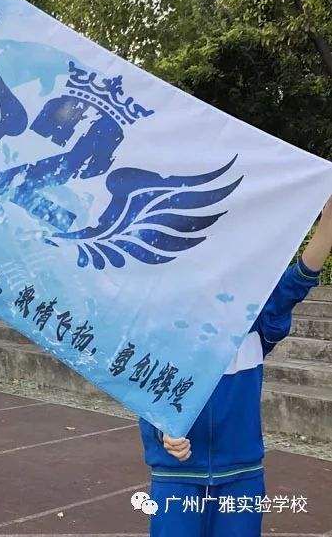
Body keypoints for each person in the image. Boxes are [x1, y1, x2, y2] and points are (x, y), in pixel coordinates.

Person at [138, 196, 332, 536]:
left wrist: (327, 224)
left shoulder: (255, 320)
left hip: (241, 477)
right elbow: (141, 390)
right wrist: (163, 430)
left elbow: (299, 279)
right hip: (175, 477)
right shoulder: (157, 326)